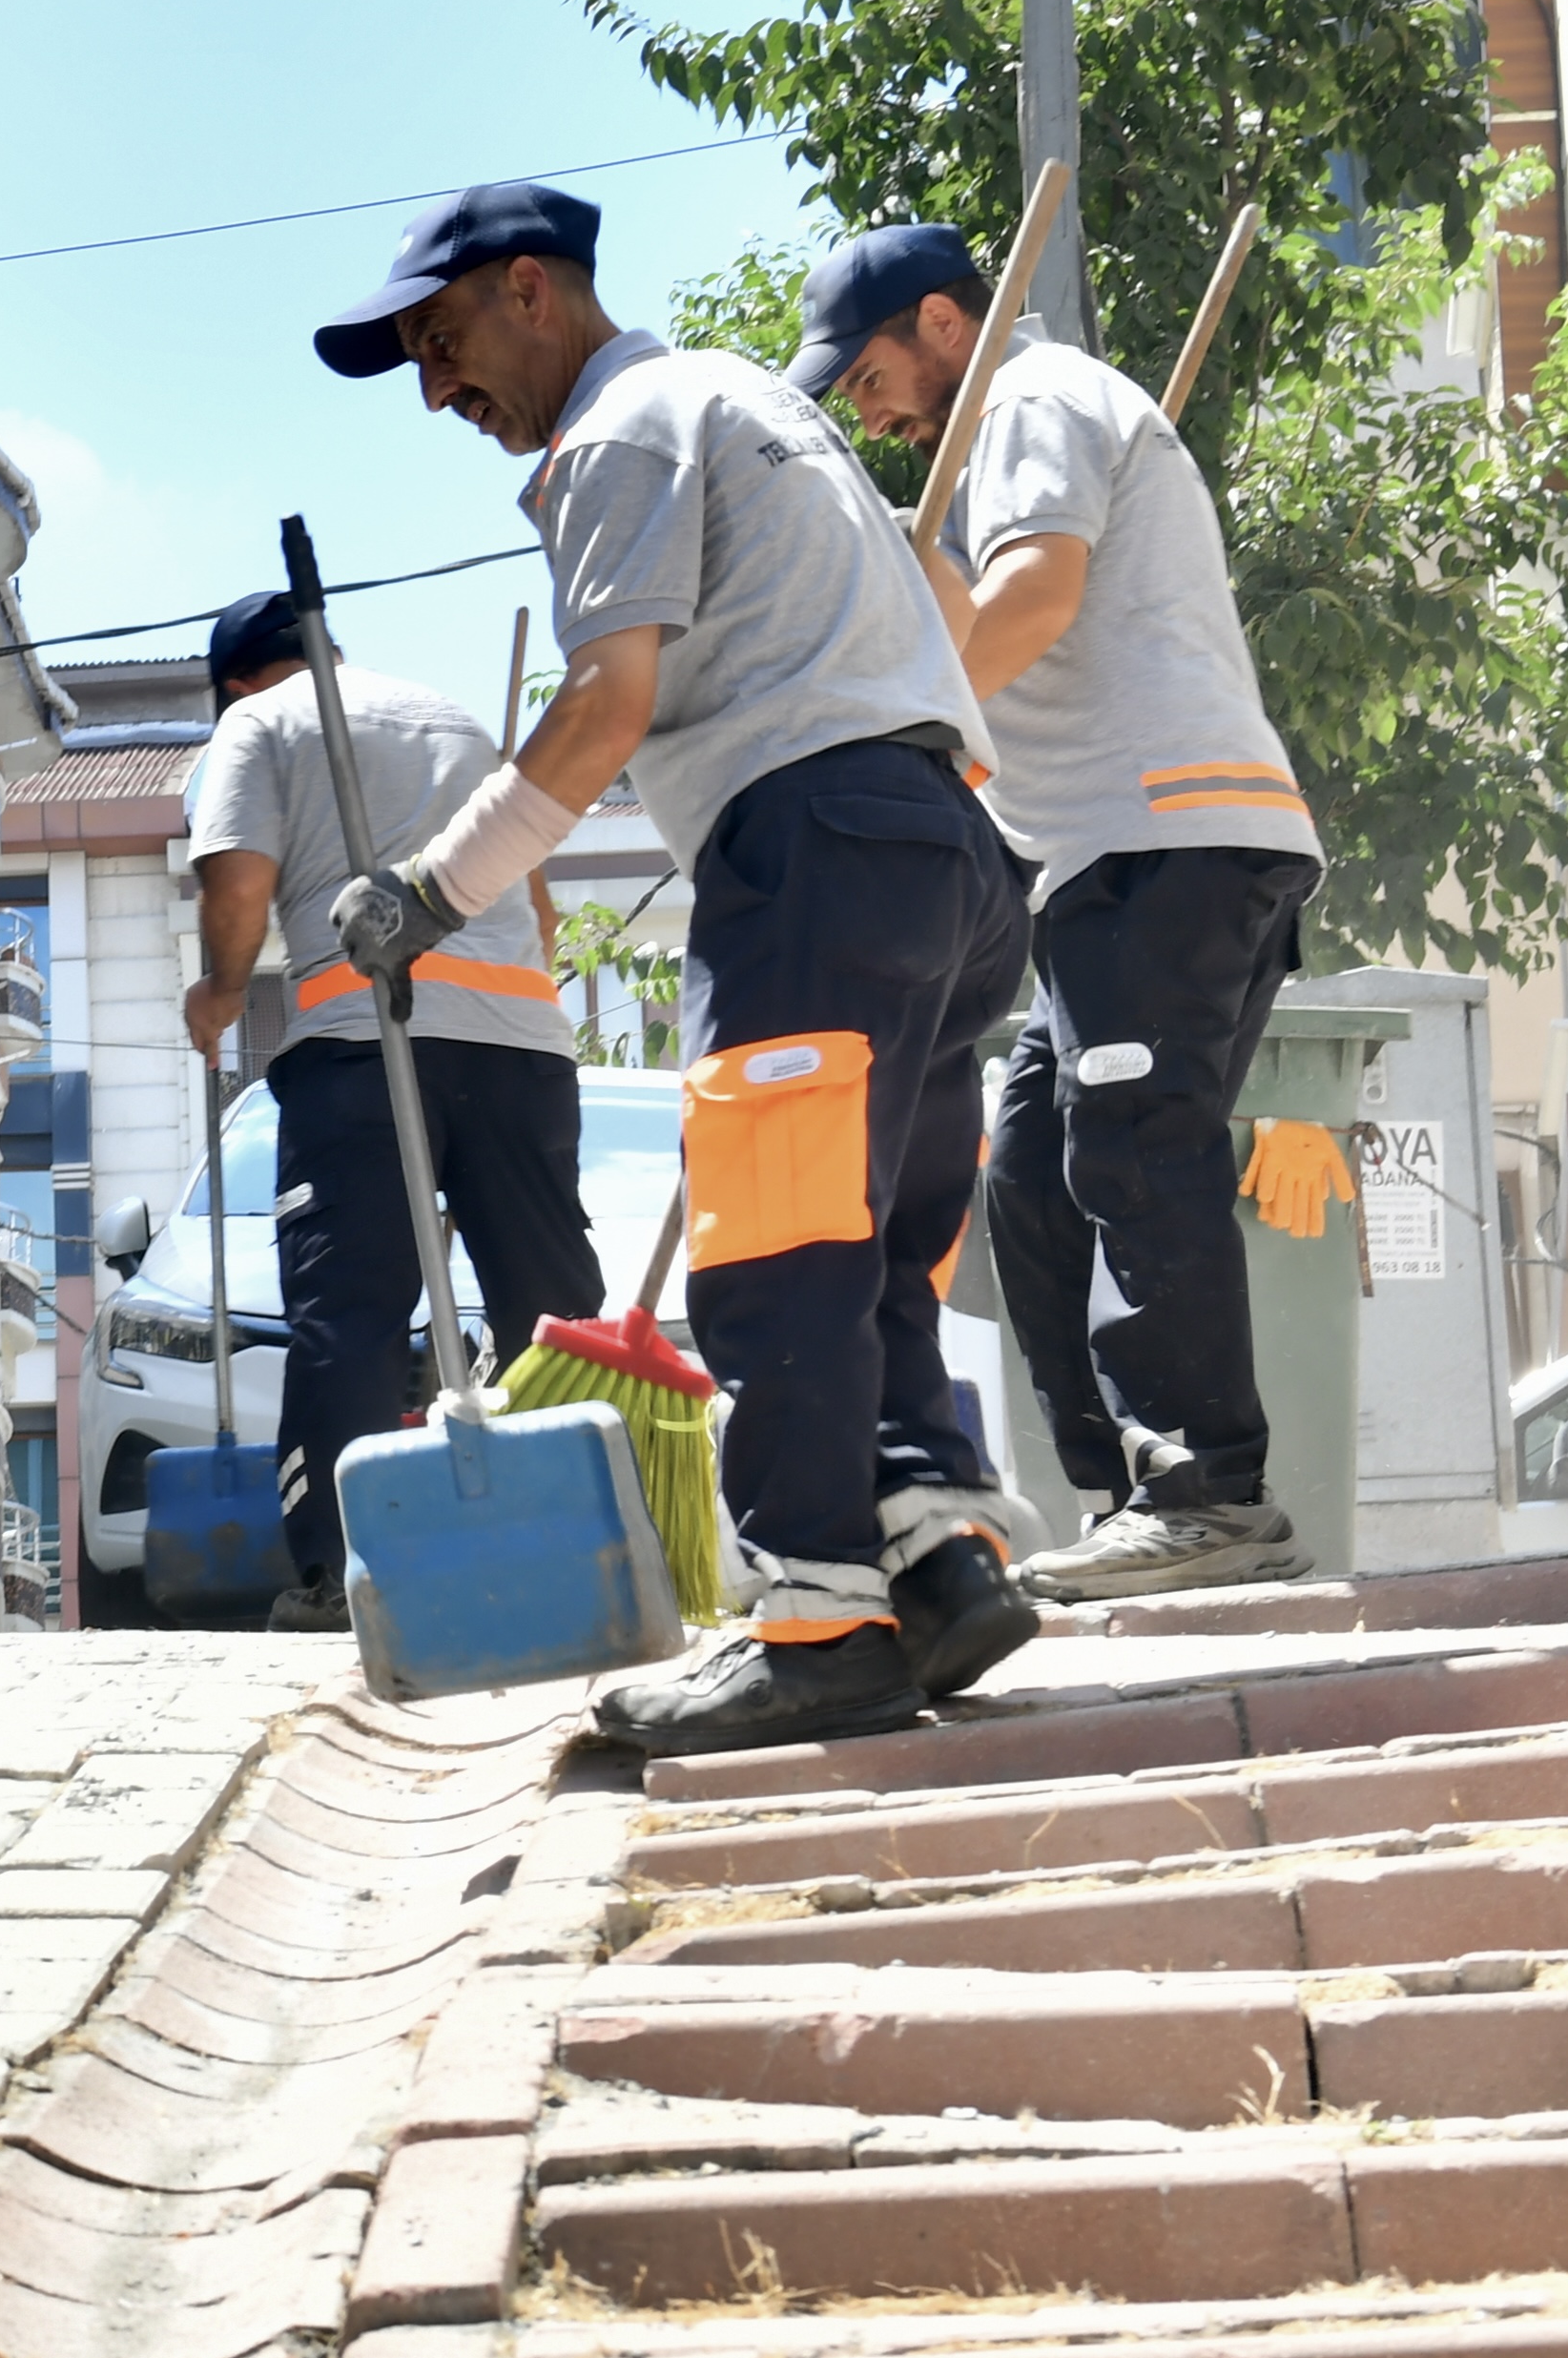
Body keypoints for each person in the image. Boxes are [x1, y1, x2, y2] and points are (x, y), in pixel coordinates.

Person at [318, 180, 1038, 1754]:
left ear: (528, 291)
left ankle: (815, 1627)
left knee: (776, 1250)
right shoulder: (746, 402)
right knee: (874, 1253)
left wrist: (435, 889)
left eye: (441, 344)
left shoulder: (622, 427)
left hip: (819, 855)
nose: (439, 391)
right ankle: (939, 1565)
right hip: (948, 854)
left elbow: (603, 707)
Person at [799, 221, 1330, 1601]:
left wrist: (909, 718)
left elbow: (1035, 594)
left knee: (1135, 1145)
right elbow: (980, 614)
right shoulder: (981, 446)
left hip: (1169, 834)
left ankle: (1208, 1486)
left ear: (936, 321)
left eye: (867, 378)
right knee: (1026, 1176)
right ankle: (1124, 1495)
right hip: (1097, 864)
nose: (873, 411)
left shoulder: (1027, 396)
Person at [177, 588, 608, 1628]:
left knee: (352, 1314)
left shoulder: (256, 722)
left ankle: (341, 1574)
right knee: (550, 1302)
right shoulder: (451, 717)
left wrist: (222, 988)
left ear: (235, 679)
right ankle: (601, 1536)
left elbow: (238, 880)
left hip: (366, 1048)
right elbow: (535, 903)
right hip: (520, 1049)